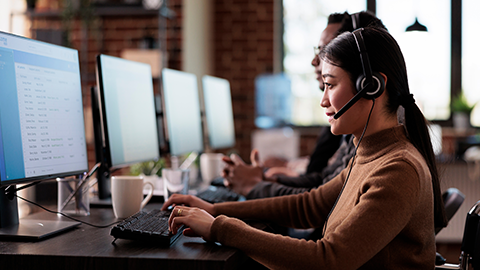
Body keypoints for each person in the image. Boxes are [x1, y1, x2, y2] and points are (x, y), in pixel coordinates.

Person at [162, 26, 448, 269]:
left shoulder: (398, 169)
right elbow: (308, 206)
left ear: (371, 86)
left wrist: (219, 227)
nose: (323, 100)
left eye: (330, 85)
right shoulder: (369, 155)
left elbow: (330, 260)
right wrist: (214, 209)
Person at [223, 11, 385, 200]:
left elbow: (317, 203)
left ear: (366, 81)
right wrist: (265, 181)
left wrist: (256, 186)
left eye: (326, 51)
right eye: (319, 51)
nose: (315, 61)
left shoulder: (383, 151)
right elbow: (323, 185)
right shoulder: (357, 132)